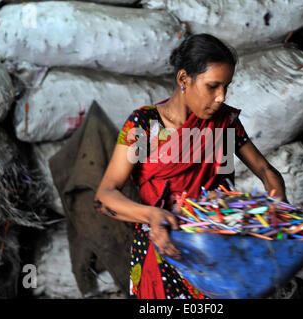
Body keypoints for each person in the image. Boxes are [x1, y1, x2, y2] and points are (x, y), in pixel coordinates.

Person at [95, 34, 287, 299]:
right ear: (184, 79)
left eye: (226, 87)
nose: (221, 97)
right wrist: (151, 215)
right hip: (162, 248)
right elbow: (105, 195)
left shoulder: (225, 125)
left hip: (215, 247)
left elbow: (266, 171)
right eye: (213, 86)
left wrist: (279, 212)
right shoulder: (145, 126)